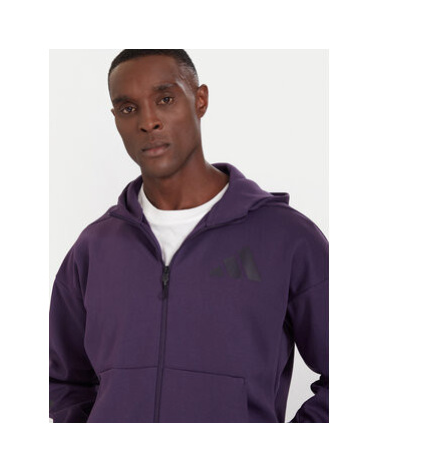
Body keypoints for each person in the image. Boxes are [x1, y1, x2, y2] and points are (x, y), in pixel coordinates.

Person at [49, 49, 329, 423]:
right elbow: (64, 381)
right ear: (116, 118)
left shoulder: (288, 239)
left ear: (200, 100)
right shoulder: (94, 249)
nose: (148, 122)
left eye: (165, 99)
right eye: (129, 108)